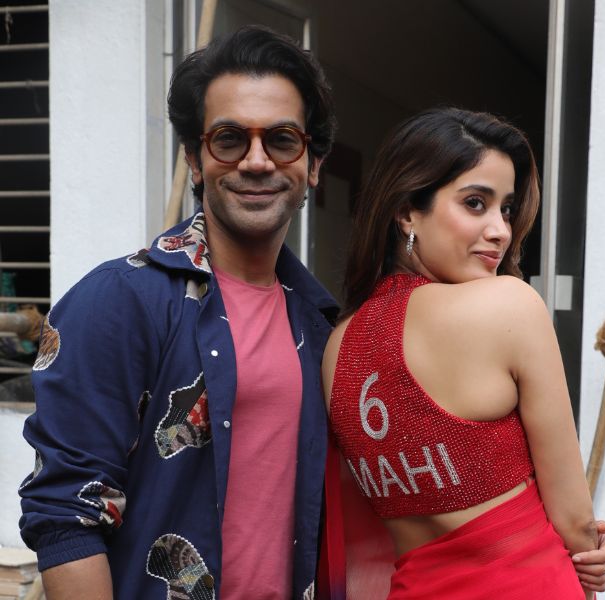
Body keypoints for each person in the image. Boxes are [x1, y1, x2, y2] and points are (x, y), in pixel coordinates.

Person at [18, 25, 337, 599]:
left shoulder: (320, 324)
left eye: (282, 139)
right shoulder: (119, 300)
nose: (257, 161)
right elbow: (66, 515)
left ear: (312, 164)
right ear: (194, 159)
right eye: (229, 139)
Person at [321, 107, 605, 599]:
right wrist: (596, 561)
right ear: (406, 211)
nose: (501, 230)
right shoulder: (509, 305)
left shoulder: (339, 345)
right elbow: (575, 522)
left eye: (506, 209)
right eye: (475, 203)